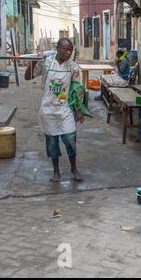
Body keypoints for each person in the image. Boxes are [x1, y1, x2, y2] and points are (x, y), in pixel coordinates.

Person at [24, 38, 85, 183]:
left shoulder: (73, 67)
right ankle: (56, 171)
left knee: (70, 139)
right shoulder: (46, 62)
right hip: (48, 109)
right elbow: (28, 76)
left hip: (65, 109)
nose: (68, 52)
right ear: (57, 48)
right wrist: (33, 61)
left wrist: (79, 110)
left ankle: (74, 168)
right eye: (65, 49)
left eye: (70, 50)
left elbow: (77, 91)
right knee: (52, 142)